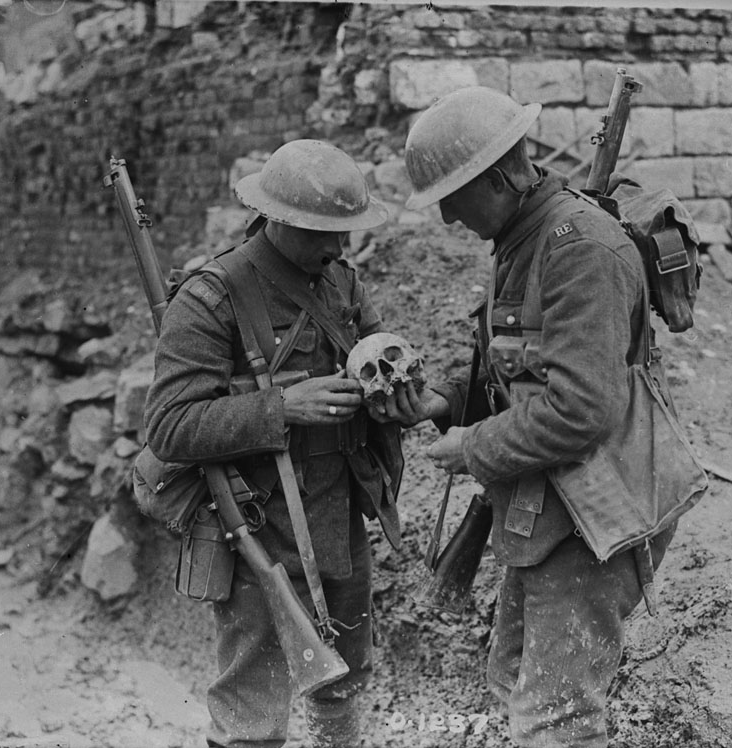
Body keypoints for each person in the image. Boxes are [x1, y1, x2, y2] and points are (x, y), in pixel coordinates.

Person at [374, 86, 677, 747]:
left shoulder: (578, 249)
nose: (450, 216)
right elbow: (517, 363)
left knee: (557, 719)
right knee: (514, 682)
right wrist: (446, 401)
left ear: (505, 176)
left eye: (455, 195)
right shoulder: (523, 237)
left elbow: (581, 406)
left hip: (600, 509)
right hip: (551, 507)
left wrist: (472, 447)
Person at [144, 139, 402, 748]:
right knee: (253, 702)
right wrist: (282, 407)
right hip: (254, 523)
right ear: (279, 221)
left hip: (337, 513)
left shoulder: (342, 284)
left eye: (346, 232)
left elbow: (377, 356)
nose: (339, 247)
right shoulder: (212, 296)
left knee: (343, 681)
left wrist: (394, 390)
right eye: (323, 232)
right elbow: (170, 426)